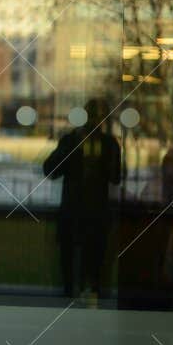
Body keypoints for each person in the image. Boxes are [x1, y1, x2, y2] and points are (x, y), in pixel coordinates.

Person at [42, 99, 123, 300]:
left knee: (91, 265)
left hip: (87, 212)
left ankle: (85, 291)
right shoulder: (76, 141)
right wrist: (73, 148)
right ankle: (77, 292)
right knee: (74, 264)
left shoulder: (107, 144)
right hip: (82, 212)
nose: (95, 122)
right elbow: (50, 170)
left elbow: (116, 176)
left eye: (98, 117)